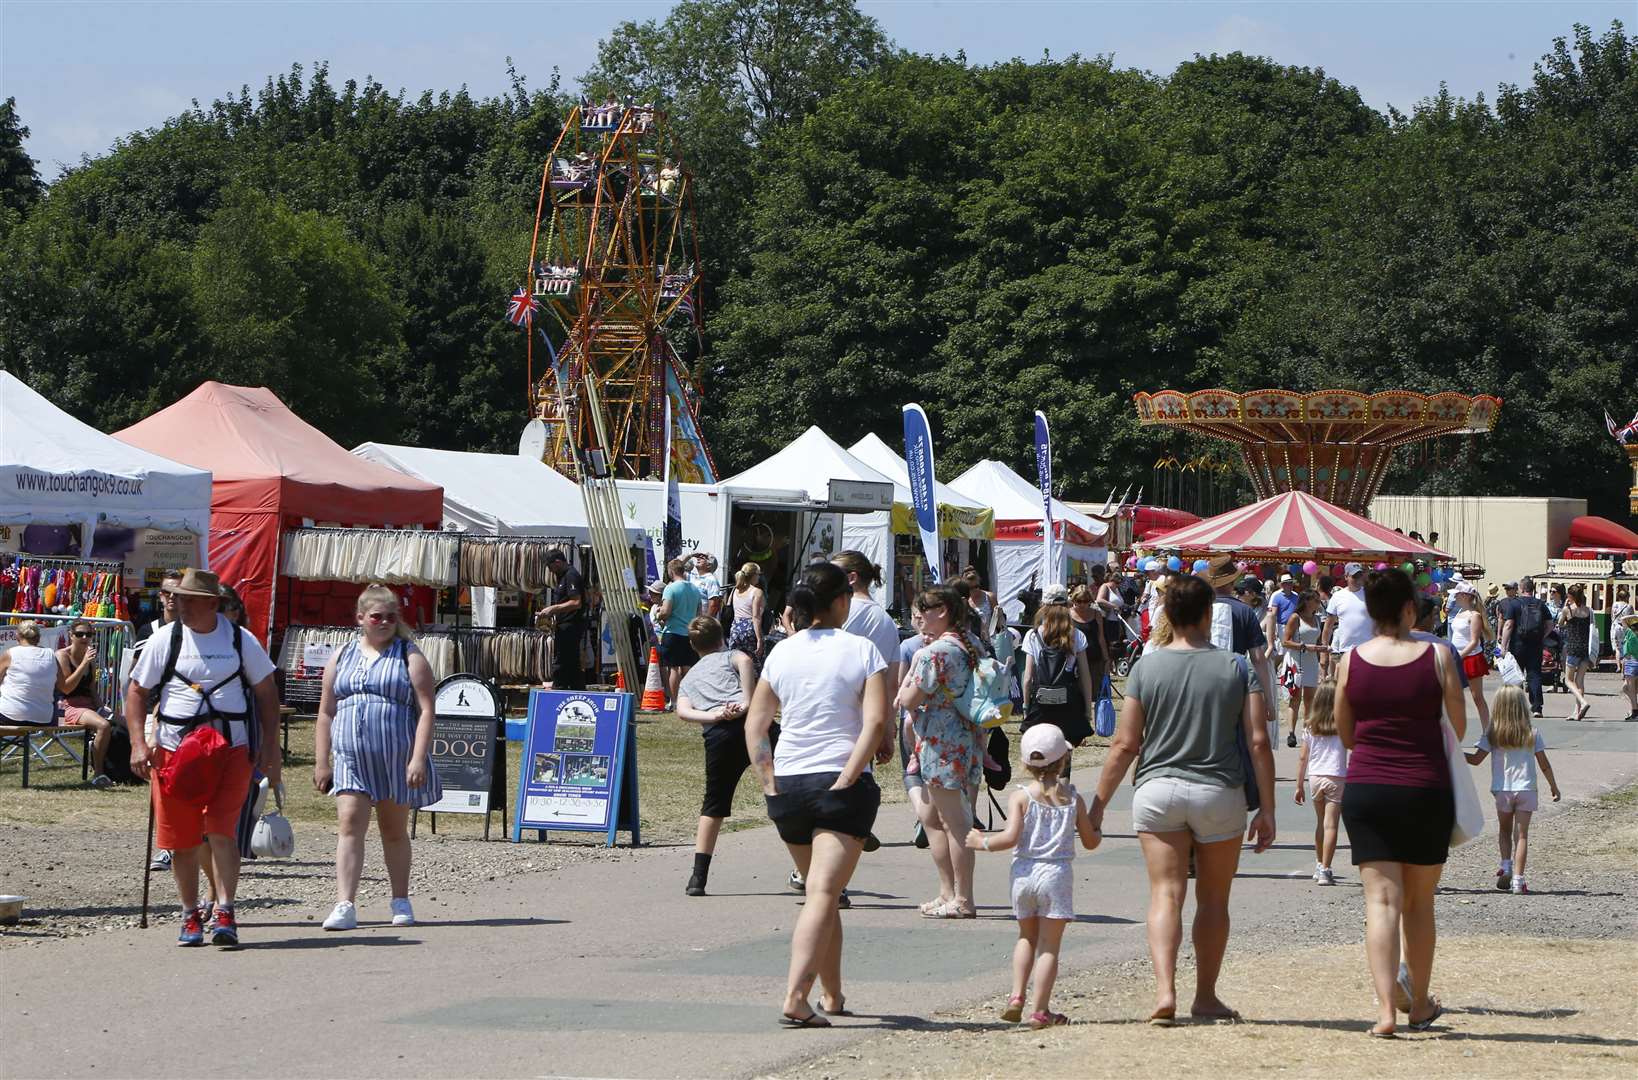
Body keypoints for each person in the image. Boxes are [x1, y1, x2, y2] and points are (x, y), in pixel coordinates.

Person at [1089, 573, 1276, 1025]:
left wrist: (1096, 806)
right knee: (1213, 900)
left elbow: (1125, 745)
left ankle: (1164, 992)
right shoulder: (1237, 667)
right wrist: (1267, 808)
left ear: (1166, 616)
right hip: (1218, 790)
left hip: (1158, 790)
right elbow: (1257, 741)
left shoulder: (1146, 669)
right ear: (1209, 614)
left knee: (1165, 894)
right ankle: (1206, 996)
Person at [745, 562, 888, 1027]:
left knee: (821, 892)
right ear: (842, 601)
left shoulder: (783, 653)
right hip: (837, 783)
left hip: (789, 784)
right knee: (824, 893)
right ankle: (795, 996)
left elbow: (756, 723)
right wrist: (850, 775)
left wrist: (768, 781)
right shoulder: (863, 650)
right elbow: (874, 723)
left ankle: (832, 993)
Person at [1335, 568, 1466, 1037]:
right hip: (1424, 786)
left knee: (1380, 903)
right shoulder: (1437, 656)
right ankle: (1420, 1004)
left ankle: (1386, 1010)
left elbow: (1346, 732)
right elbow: (1459, 726)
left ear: (1370, 611)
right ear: (1410, 608)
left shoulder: (1350, 660)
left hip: (1368, 787)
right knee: (1419, 903)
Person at [124, 568, 282, 947]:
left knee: (222, 831)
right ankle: (190, 913)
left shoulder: (241, 640)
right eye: (177, 598)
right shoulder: (165, 639)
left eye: (188, 598)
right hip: (176, 752)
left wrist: (271, 745)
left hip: (231, 750)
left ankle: (225, 910)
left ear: (212, 603)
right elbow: (135, 693)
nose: (179, 604)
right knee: (182, 839)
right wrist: (137, 744)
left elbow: (266, 694)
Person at [314, 586, 440, 931]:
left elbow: (427, 709)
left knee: (393, 829)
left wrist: (418, 758)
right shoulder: (342, 655)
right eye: (376, 617)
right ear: (360, 619)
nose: (384, 622)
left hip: (395, 755)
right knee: (349, 825)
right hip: (351, 757)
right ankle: (345, 903)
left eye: (390, 617)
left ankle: (400, 899)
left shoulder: (409, 655)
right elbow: (326, 711)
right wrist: (321, 761)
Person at [965, 724, 1101, 1029]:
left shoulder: (1021, 797)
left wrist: (981, 842)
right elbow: (1091, 841)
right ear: (1063, 760)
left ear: (1026, 763)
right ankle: (1040, 1010)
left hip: (1024, 875)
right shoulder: (1072, 799)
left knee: (1025, 937)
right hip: (1056, 875)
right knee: (1049, 947)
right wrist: (1097, 828)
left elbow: (1010, 837)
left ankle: (1016, 996)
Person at [896, 585, 985, 919]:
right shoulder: (969, 643)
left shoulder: (935, 652)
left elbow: (909, 699)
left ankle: (963, 900)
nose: (919, 619)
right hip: (965, 740)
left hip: (941, 742)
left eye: (924, 611)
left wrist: (904, 688)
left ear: (942, 611)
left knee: (956, 825)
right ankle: (949, 893)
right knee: (935, 818)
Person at [676, 615, 762, 896]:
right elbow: (746, 662)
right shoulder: (732, 656)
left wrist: (713, 715)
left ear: (693, 645)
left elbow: (683, 711)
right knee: (786, 782)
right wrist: (745, 702)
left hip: (718, 737)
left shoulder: (690, 677)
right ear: (722, 637)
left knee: (714, 804)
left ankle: (697, 877)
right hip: (755, 730)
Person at [1465, 685, 1561, 896]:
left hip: (1503, 790)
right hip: (1527, 789)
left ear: (1498, 707)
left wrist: (1454, 753)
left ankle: (1505, 865)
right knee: (1523, 835)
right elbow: (1544, 764)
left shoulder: (1492, 733)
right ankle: (1518, 880)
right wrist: (1553, 786)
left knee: (1504, 831)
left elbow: (1475, 760)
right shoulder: (1532, 733)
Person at [1020, 588, 1095, 773]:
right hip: (1068, 701)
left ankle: (1044, 792)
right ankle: (1063, 792)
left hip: (1041, 702)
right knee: (1065, 752)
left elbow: (1028, 677)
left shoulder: (1033, 635)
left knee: (1042, 748)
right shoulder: (1076, 635)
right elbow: (1085, 676)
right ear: (1067, 605)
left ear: (1044, 606)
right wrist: (1087, 708)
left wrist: (1025, 706)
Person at [1204, 556, 1275, 746]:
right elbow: (1258, 659)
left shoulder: (1201, 608)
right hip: (1235, 681)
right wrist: (1268, 699)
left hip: (1201, 680)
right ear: (1232, 581)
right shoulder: (1245, 612)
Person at [43, 618, 113, 787]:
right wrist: (83, 664)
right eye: (79, 634)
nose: (84, 638)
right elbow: (66, 688)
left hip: (88, 703)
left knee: (123, 722)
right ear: (71, 636)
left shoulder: (90, 657)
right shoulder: (62, 655)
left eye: (88, 634)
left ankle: (120, 769)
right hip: (68, 705)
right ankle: (98, 773)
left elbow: (92, 689)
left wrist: (102, 707)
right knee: (103, 726)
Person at [1293, 682, 1346, 885]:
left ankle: (1317, 863)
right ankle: (1326, 868)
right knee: (1331, 824)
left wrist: (1299, 785)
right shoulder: (1342, 723)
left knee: (1320, 822)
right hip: (1336, 776)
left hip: (1315, 777)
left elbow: (1302, 757)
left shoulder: (1310, 725)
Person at [536, 549, 587, 692]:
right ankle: (577, 690)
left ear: (557, 562)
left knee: (562, 660)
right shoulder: (562, 576)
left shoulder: (571, 576)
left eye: (550, 566)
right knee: (572, 662)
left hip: (571, 625)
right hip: (564, 624)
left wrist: (553, 609)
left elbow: (576, 602)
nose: (550, 570)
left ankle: (558, 689)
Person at [654, 558, 702, 709]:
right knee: (687, 667)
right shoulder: (695, 589)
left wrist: (657, 614)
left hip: (673, 632)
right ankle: (689, 701)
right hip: (689, 633)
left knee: (674, 668)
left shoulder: (671, 588)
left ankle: (674, 702)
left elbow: (666, 611)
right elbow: (699, 613)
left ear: (671, 571)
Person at [1500, 576, 1548, 717]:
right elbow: (1550, 624)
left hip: (1518, 644)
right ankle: (1537, 707)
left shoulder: (1514, 604)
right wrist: (1542, 636)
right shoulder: (1540, 604)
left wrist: (1503, 646)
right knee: (1534, 675)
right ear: (1532, 589)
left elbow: (1508, 625)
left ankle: (1516, 707)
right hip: (1535, 645)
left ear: (1521, 589)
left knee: (1516, 675)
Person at [1447, 583, 1492, 731]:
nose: (1454, 596)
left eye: (1457, 594)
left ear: (1465, 596)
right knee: (1452, 696)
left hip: (1470, 658)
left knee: (1477, 697)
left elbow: (1474, 641)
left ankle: (1487, 731)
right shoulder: (1459, 612)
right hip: (1457, 656)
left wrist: (1458, 656)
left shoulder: (1475, 615)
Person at [1280, 591, 1323, 745]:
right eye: (1315, 599)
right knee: (1295, 698)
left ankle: (1307, 732)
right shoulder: (1295, 618)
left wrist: (1322, 651)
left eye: (1319, 600)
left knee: (1310, 699)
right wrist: (1305, 646)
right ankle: (1291, 733)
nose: (1318, 602)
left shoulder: (1317, 619)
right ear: (1306, 601)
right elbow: (1285, 641)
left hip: (1311, 661)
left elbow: (1317, 642)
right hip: (1295, 661)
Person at [1320, 563, 1374, 664]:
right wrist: (1323, 652)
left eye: (1360, 575)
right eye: (1354, 576)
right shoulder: (1337, 596)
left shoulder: (1370, 594)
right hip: (1345, 650)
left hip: (1368, 650)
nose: (1358, 579)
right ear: (1346, 577)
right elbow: (1328, 626)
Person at [1557, 584, 1593, 721]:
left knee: (1568, 680)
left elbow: (1560, 624)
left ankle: (1583, 703)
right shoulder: (1588, 611)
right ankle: (1577, 712)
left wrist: (1565, 607)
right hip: (1585, 648)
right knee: (1580, 681)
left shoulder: (1568, 610)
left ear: (1570, 596)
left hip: (1573, 647)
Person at [1067, 584, 1111, 695]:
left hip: (1095, 659)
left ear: (1090, 601)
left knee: (1096, 693)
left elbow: (1101, 637)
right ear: (1074, 600)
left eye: (1085, 601)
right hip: (1075, 661)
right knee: (1077, 695)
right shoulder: (1068, 614)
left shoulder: (1096, 614)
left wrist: (1106, 659)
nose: (1082, 604)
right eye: (1079, 601)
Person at [727, 562, 766, 667]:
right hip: (750, 628)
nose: (759, 577)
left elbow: (729, 607)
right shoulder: (757, 592)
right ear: (753, 575)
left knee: (735, 663)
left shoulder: (735, 589)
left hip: (735, 628)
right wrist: (759, 639)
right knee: (753, 664)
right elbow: (756, 617)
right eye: (758, 574)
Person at [134, 570, 182, 643]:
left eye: (177, 592)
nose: (172, 596)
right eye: (167, 592)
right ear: (160, 596)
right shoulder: (147, 631)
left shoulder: (192, 631)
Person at [963, 567, 998, 637]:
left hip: (990, 640)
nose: (975, 590)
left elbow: (998, 619)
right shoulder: (965, 601)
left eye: (976, 586)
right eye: (971, 588)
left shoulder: (989, 597)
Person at [690, 552, 724, 618]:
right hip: (691, 621)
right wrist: (691, 554)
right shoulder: (693, 577)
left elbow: (713, 605)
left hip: (700, 623)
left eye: (703, 558)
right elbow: (675, 567)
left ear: (709, 565)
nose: (699, 558)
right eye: (699, 557)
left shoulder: (711, 580)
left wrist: (705, 622)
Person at [1620, 613, 1638, 721]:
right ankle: (1634, 709)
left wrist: (1634, 616)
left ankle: (1635, 712)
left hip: (1631, 662)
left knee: (1630, 689)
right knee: (1626, 688)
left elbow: (1622, 619)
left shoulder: (1629, 633)